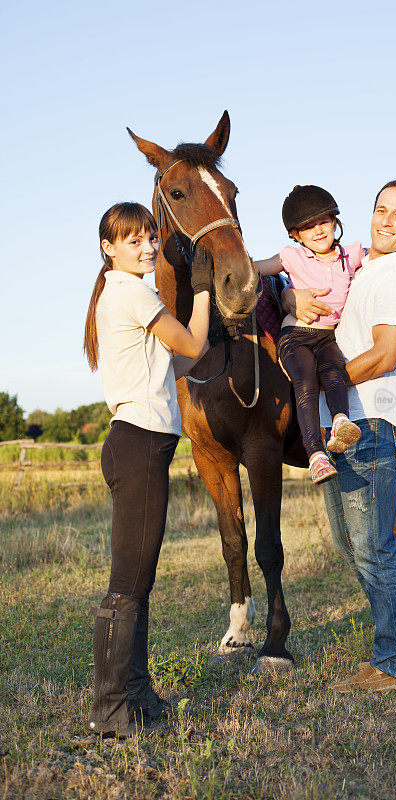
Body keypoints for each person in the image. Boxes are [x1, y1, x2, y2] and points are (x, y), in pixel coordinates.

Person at [283, 180, 396, 692]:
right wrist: (290, 293)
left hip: (371, 424)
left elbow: (386, 356)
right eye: (380, 209)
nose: (386, 221)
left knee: (374, 547)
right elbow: (304, 275)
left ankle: (394, 664)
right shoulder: (362, 267)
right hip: (342, 427)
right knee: (353, 543)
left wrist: (330, 379)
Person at [83, 202, 212, 735]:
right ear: (109, 248)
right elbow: (194, 341)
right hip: (138, 443)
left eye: (150, 237)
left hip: (144, 444)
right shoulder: (130, 289)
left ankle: (137, 696)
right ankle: (112, 710)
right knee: (126, 586)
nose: (147, 247)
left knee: (140, 582)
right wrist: (202, 289)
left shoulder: (128, 293)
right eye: (133, 240)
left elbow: (180, 360)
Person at [254, 185, 362, 484]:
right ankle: (316, 455)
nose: (317, 230)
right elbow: (257, 268)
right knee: (306, 382)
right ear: (296, 235)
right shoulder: (292, 257)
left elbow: (376, 261)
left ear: (335, 222)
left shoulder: (349, 255)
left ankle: (341, 421)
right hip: (297, 335)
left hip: (328, 337)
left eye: (323, 222)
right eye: (307, 227)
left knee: (335, 372)